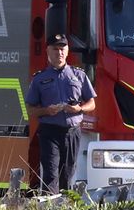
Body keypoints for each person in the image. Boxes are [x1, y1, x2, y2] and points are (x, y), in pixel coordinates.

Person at [25, 34, 97, 193]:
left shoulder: (79, 75)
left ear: (67, 50)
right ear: (47, 51)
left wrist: (79, 109)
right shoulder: (39, 78)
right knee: (51, 174)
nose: (59, 53)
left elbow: (91, 103)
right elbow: (30, 109)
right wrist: (46, 110)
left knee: (68, 174)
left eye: (62, 49)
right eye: (55, 49)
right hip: (49, 132)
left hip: (72, 132)